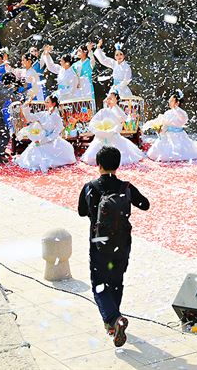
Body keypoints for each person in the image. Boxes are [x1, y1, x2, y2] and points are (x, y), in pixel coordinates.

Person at [78, 146, 150, 347]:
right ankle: (113, 321)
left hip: (98, 244)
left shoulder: (90, 187)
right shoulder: (126, 187)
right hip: (122, 243)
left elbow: (81, 212)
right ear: (118, 165)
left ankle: (113, 320)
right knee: (116, 281)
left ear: (98, 165)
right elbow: (145, 204)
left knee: (99, 284)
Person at [14, 93, 76, 172]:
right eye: (45, 102)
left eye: (47, 102)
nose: (45, 104)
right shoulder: (43, 114)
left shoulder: (56, 117)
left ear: (53, 104)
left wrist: (45, 140)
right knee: (32, 156)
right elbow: (29, 118)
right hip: (40, 139)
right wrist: (26, 106)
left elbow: (56, 133)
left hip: (52, 140)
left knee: (67, 150)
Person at [81, 91, 144, 166]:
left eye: (111, 99)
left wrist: (112, 129)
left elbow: (123, 121)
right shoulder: (103, 111)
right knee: (93, 152)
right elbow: (94, 122)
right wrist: (100, 130)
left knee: (121, 150)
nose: (108, 101)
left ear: (116, 100)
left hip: (113, 135)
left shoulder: (118, 111)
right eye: (107, 99)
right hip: (102, 135)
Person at [143, 90, 197, 162]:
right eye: (169, 100)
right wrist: (159, 127)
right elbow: (163, 122)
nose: (169, 102)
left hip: (178, 135)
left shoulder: (181, 113)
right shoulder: (168, 112)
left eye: (172, 101)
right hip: (167, 134)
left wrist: (176, 108)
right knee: (161, 150)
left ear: (177, 103)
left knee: (179, 150)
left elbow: (183, 119)